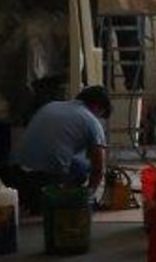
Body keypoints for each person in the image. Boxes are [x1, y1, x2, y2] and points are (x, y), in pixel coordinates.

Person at [6, 86, 111, 214]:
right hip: (47, 181)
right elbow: (98, 169)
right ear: (97, 107)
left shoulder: (51, 106)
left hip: (15, 177)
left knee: (74, 160)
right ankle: (59, 200)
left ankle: (31, 200)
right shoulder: (92, 121)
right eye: (101, 115)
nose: (99, 118)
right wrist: (89, 197)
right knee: (83, 167)